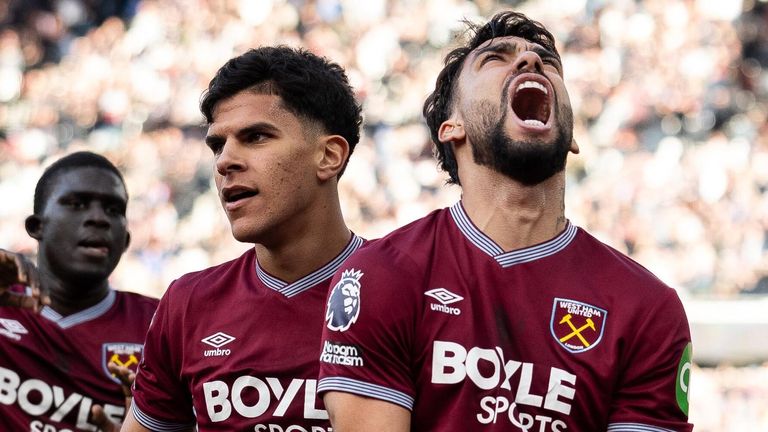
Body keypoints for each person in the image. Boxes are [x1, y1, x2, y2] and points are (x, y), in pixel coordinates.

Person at [317, 11, 693, 432]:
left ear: (570, 135)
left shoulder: (647, 308)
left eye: (547, 62)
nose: (531, 62)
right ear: (450, 127)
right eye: (495, 58)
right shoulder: (379, 277)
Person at [123, 45, 364, 431]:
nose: (224, 162)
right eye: (218, 145)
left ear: (329, 155)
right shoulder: (188, 304)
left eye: (255, 137)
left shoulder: (408, 292)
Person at [0, 151, 159, 431]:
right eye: (77, 204)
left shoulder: (162, 325)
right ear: (37, 226)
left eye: (113, 210)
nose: (99, 219)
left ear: (126, 240)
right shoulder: (4, 299)